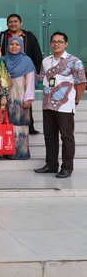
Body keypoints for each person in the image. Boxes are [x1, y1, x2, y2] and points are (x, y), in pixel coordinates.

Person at [35, 32, 87, 178]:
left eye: (60, 41)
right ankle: (51, 165)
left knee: (66, 137)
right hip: (47, 105)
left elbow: (82, 83)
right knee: (49, 136)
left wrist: (75, 101)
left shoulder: (74, 61)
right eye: (53, 41)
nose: (56, 44)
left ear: (66, 44)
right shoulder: (46, 61)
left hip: (64, 106)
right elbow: (44, 79)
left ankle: (67, 168)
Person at [0, 13, 43, 134]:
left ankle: (27, 134)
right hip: (7, 93)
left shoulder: (29, 38)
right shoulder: (2, 38)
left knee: (22, 120)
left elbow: (37, 54)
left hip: (22, 89)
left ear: (20, 23)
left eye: (16, 21)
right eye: (10, 22)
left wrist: (37, 70)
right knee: (7, 120)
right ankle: (6, 149)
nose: (13, 24)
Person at [4, 37, 36, 160]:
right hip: (6, 98)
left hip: (21, 98)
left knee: (20, 125)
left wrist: (28, 99)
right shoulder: (2, 60)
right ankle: (6, 151)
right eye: (12, 44)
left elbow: (31, 81)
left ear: (22, 46)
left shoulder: (27, 61)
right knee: (7, 124)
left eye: (17, 44)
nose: (14, 46)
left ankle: (20, 153)